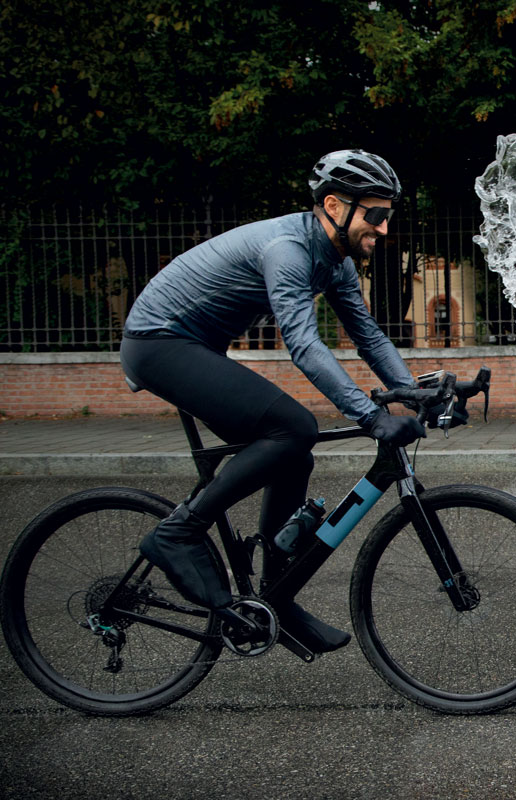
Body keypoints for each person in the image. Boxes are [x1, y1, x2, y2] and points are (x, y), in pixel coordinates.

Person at [121, 149, 426, 654]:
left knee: (292, 450)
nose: (384, 229)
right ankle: (179, 532)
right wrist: (371, 416)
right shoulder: (287, 249)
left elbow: (368, 336)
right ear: (334, 205)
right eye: (375, 215)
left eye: (387, 216)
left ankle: (277, 597)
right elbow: (304, 346)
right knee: (293, 427)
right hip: (160, 342)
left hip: (192, 345)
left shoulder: (335, 260)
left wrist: (414, 395)